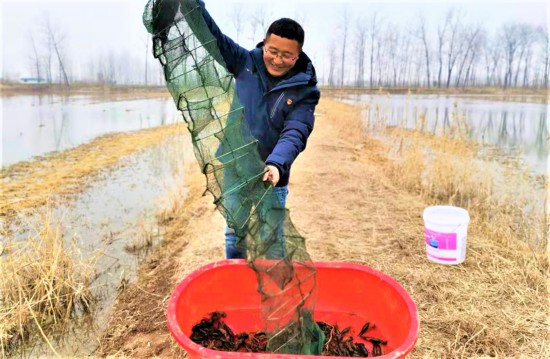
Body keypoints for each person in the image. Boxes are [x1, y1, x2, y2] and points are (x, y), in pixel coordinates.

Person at [185, 0, 320, 259]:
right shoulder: (244, 62)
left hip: (272, 174)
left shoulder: (305, 90)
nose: (278, 60)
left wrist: (276, 164)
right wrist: (193, 6)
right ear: (264, 43)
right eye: (273, 51)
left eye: (287, 55)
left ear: (299, 53)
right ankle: (235, 282)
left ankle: (271, 288)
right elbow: (212, 37)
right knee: (236, 231)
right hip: (236, 167)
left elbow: (295, 132)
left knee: (271, 237)